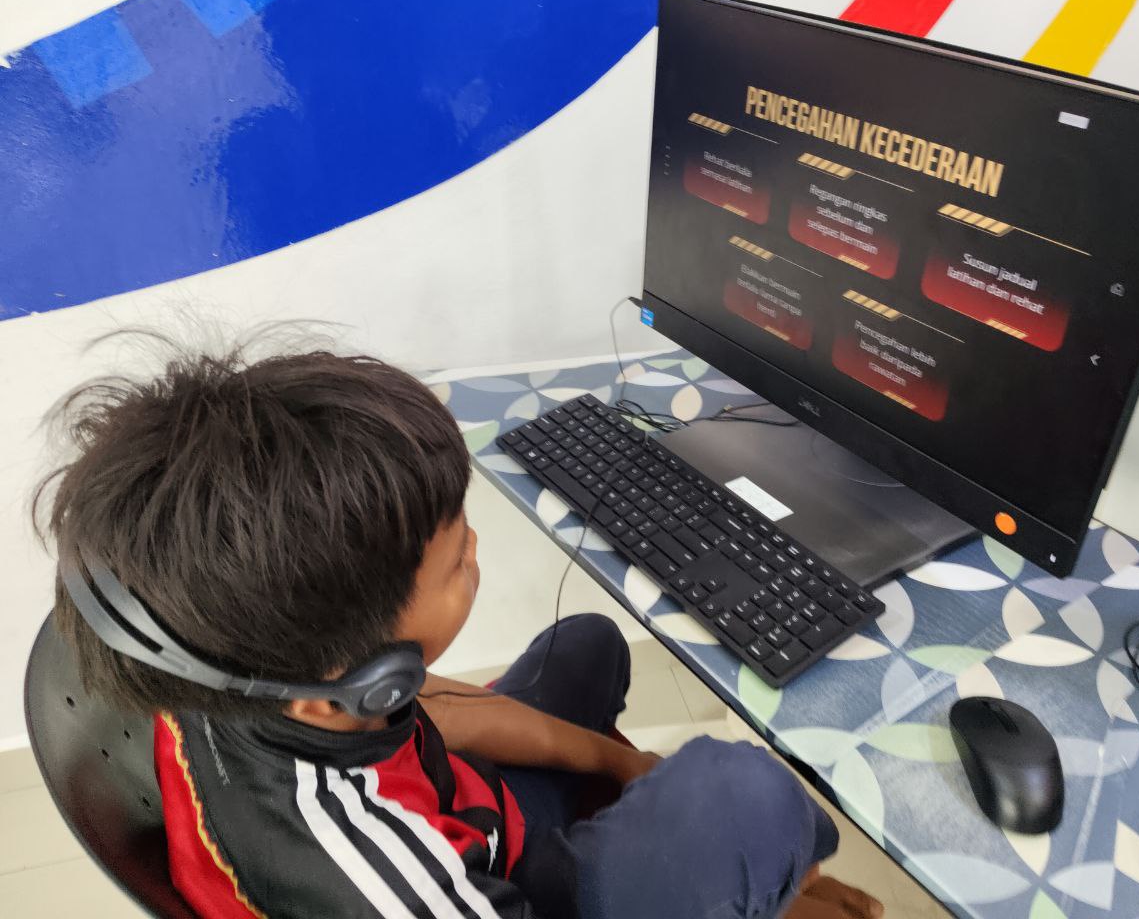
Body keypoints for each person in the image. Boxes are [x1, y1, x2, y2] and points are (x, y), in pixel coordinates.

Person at [38, 344, 882, 919]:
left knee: (587, 644)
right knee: (745, 791)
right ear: (358, 687)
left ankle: (747, 856)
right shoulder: (381, 883)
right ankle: (777, 875)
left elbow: (445, 712)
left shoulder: (242, 658)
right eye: (453, 563)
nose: (475, 548)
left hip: (465, 808)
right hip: (490, 884)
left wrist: (628, 767)